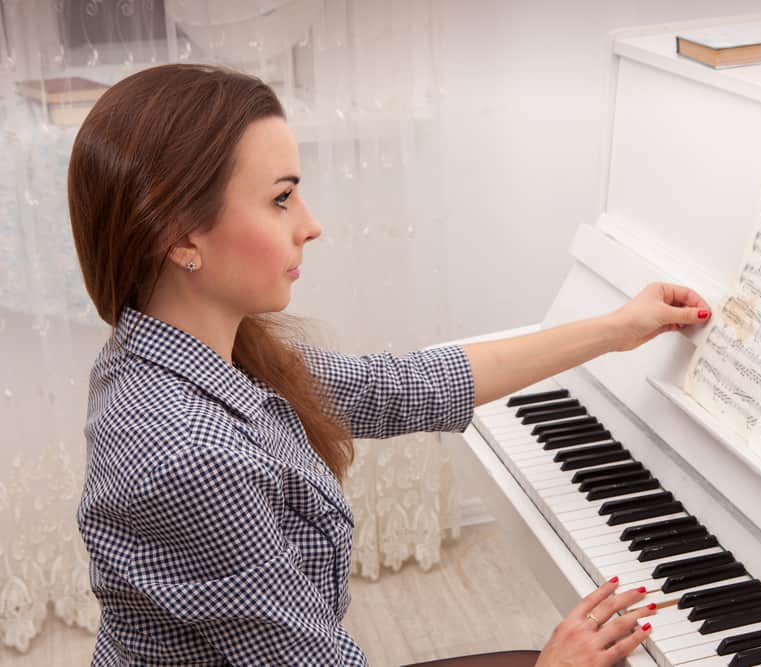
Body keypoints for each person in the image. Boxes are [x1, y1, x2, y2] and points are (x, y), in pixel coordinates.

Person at [69, 63, 711, 666]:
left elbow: (400, 387)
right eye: (282, 199)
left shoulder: (183, 351)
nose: (311, 225)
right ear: (182, 237)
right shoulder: (191, 454)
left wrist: (616, 329)